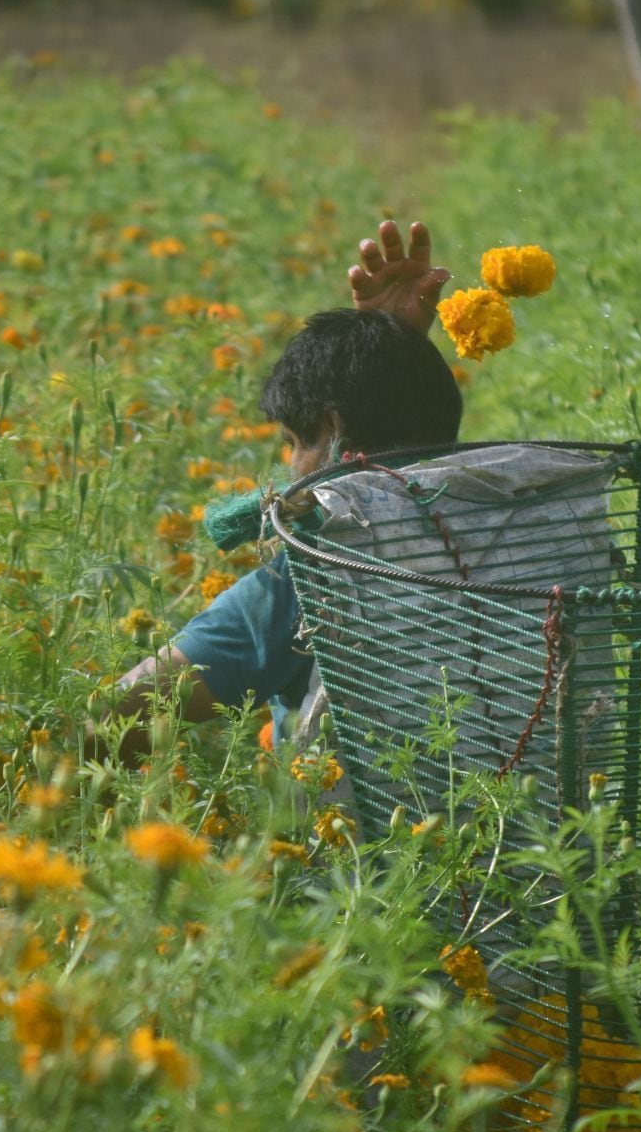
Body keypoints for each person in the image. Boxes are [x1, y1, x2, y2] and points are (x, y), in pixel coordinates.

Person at [105, 220, 458, 767]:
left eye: (295, 442)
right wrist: (390, 358)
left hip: (370, 844)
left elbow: (116, 716)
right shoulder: (540, 524)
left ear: (335, 428)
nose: (291, 468)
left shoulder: (317, 575)